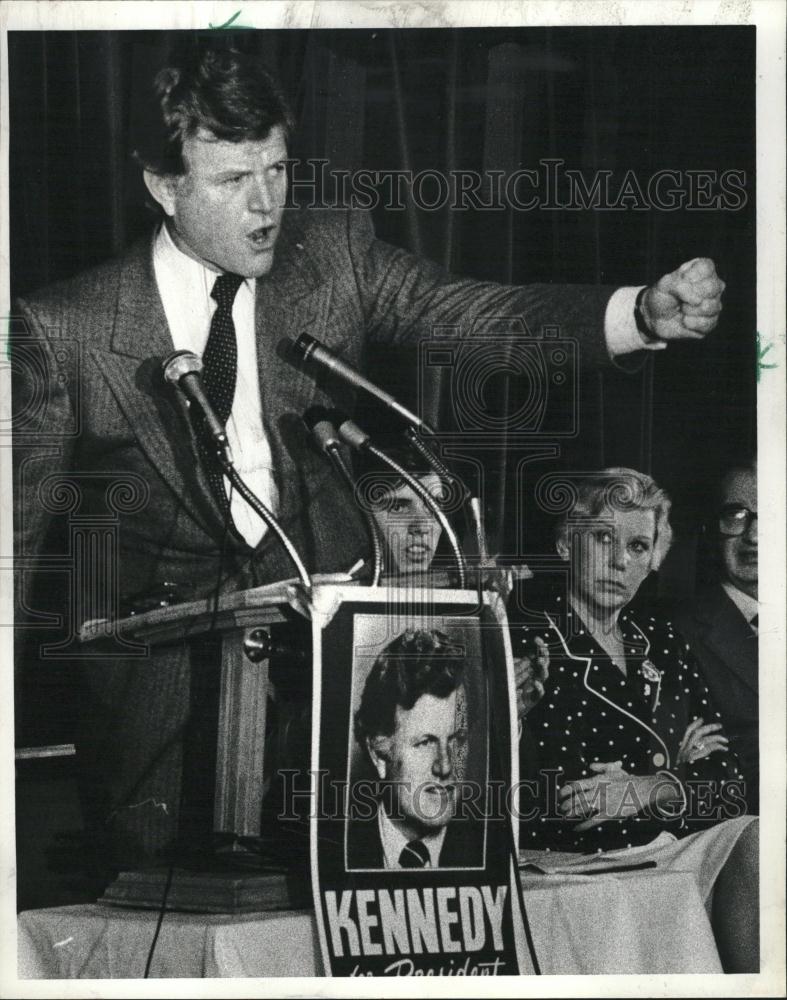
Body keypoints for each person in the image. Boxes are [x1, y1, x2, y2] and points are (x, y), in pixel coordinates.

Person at [12, 42, 727, 868]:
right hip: (156, 717)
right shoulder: (61, 328)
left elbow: (472, 318)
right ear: (163, 185)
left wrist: (635, 313)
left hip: (330, 689)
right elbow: (15, 544)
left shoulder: (334, 255)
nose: (265, 205)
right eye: (232, 180)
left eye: (276, 170)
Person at [514, 468, 758, 972]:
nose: (619, 561)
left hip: (665, 847)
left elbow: (730, 784)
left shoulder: (664, 640)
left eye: (639, 546)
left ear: (653, 561)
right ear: (565, 546)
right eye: (603, 539)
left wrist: (651, 786)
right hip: (571, 862)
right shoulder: (529, 641)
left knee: (756, 834)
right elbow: (566, 797)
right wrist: (680, 765)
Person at [348, 628, 484, 870]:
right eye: (424, 743)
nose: (445, 766)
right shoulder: (339, 847)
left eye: (456, 740)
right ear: (378, 754)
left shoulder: (486, 844)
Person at [676, 461, 759, 813]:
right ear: (712, 528)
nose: (753, 535)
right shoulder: (674, 632)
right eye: (736, 515)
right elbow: (708, 774)